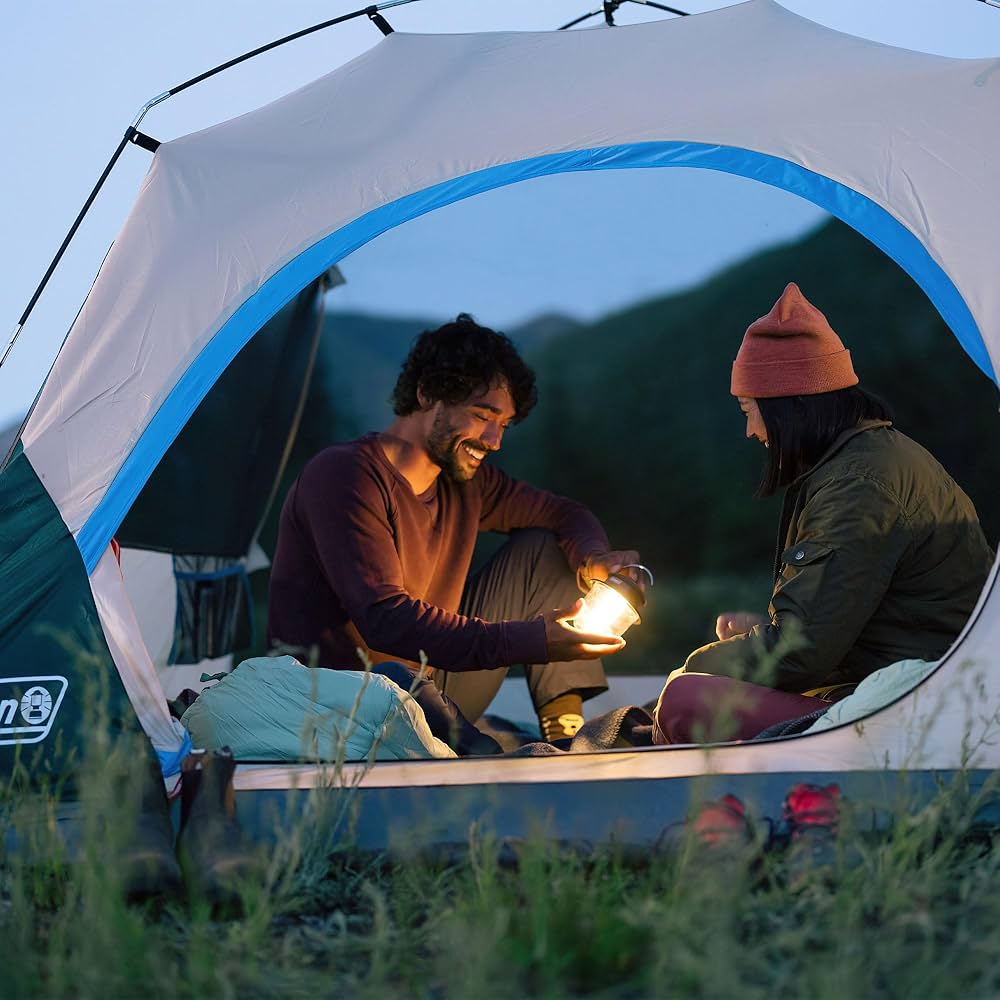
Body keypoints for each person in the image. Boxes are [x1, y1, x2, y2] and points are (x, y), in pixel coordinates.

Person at [268, 314, 641, 750]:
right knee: (398, 679)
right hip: (342, 700)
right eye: (483, 415)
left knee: (549, 546)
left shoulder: (467, 485)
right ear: (428, 394)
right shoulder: (345, 476)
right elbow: (385, 621)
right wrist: (534, 639)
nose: (494, 439)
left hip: (428, 680)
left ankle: (567, 739)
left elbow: (564, 513)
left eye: (505, 424)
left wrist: (593, 557)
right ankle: (478, 755)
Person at [653, 283, 995, 745]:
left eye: (750, 411)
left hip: (908, 703)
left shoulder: (858, 486)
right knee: (698, 688)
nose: (752, 432)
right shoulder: (869, 459)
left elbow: (803, 654)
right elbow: (845, 621)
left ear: (789, 408)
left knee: (684, 699)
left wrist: (697, 664)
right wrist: (765, 630)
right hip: (899, 679)